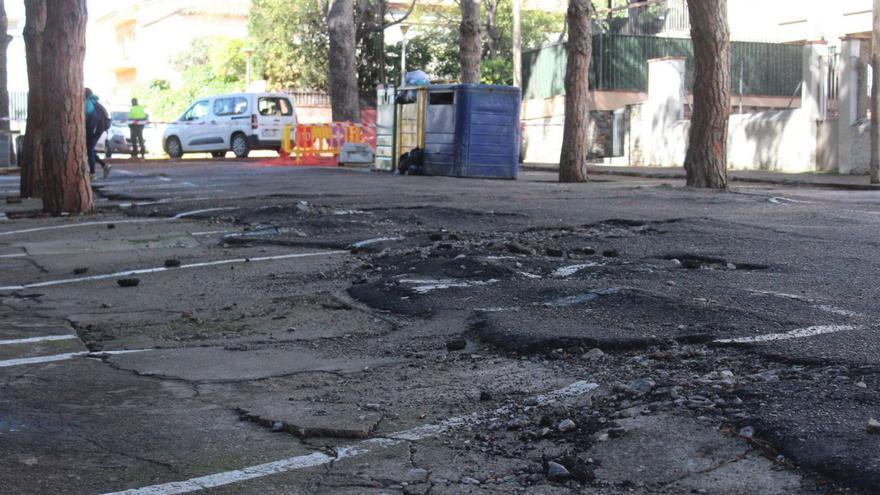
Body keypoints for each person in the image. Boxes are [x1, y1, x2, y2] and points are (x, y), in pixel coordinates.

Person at [85, 88, 111, 179]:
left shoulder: (87, 103)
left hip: (92, 131)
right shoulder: (97, 103)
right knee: (89, 150)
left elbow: (86, 115)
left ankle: (93, 173)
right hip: (98, 130)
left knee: (89, 151)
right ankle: (104, 165)